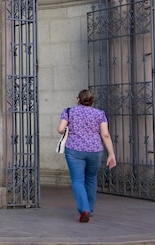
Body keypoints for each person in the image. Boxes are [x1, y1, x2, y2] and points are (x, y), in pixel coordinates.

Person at [57, 89, 116, 223]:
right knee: (91, 178)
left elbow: (60, 129)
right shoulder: (100, 114)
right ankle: (90, 208)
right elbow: (105, 134)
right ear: (92, 101)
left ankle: (84, 210)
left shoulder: (69, 111)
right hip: (95, 150)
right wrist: (111, 154)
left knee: (78, 180)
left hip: (74, 150)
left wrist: (69, 129)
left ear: (78, 99)